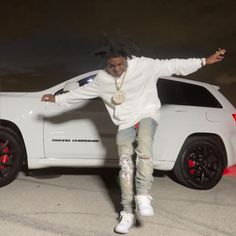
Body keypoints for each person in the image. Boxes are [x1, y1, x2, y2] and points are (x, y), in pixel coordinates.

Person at [41, 37, 225, 234]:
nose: (117, 69)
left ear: (127, 58)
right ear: (106, 64)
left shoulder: (144, 65)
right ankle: (127, 212)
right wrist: (57, 98)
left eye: (120, 64)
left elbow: (173, 65)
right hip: (125, 121)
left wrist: (204, 61)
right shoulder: (102, 80)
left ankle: (144, 195)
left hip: (147, 113)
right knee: (126, 165)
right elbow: (81, 93)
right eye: (112, 66)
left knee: (144, 145)